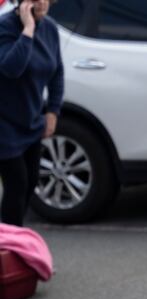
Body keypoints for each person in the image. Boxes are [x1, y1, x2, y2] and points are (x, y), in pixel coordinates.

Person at [0, 0, 63, 226]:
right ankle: (11, 248)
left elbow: (57, 72)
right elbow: (12, 68)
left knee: (30, 182)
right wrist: (27, 31)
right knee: (16, 184)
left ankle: (10, 237)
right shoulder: (5, 28)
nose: (42, 3)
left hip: (31, 120)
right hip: (4, 123)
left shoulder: (50, 28)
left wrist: (53, 111)